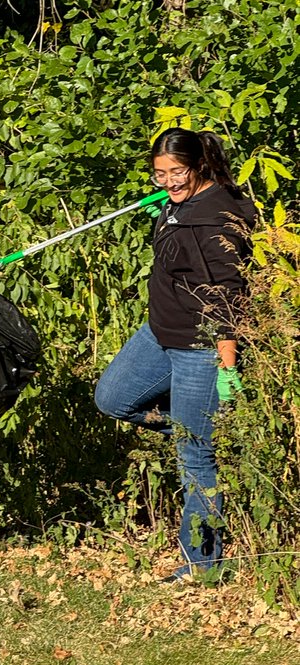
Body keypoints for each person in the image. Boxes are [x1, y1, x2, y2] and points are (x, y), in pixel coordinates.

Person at [94, 129, 256, 580]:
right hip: (158, 333)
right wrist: (170, 207)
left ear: (199, 165)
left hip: (199, 349)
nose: (166, 181)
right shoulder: (178, 204)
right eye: (158, 174)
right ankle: (198, 431)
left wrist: (228, 366)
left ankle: (201, 564)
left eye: (176, 173)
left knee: (195, 457)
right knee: (113, 398)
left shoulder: (214, 219)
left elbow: (227, 295)